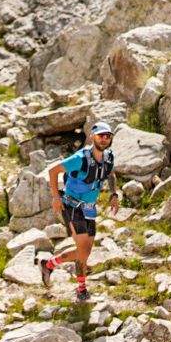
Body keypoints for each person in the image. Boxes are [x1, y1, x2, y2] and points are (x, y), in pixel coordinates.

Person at [39, 122, 120, 302]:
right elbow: (53, 171)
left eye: (108, 136)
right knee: (83, 251)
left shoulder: (108, 157)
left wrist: (114, 193)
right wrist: (55, 197)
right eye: (101, 135)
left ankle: (49, 264)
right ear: (92, 137)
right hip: (72, 206)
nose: (105, 139)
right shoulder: (80, 158)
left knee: (86, 251)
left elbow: (111, 174)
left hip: (89, 208)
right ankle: (81, 290)